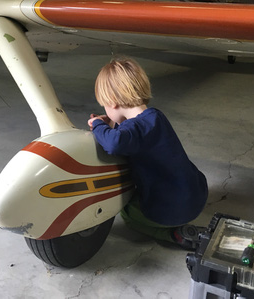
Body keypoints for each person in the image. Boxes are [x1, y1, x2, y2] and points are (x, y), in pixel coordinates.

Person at [87, 56, 208, 250]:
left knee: (127, 213)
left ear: (112, 102)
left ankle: (171, 234)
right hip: (196, 195)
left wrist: (98, 125)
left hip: (172, 210)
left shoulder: (133, 132)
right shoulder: (155, 117)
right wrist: (112, 124)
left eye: (104, 105)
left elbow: (114, 143)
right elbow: (130, 132)